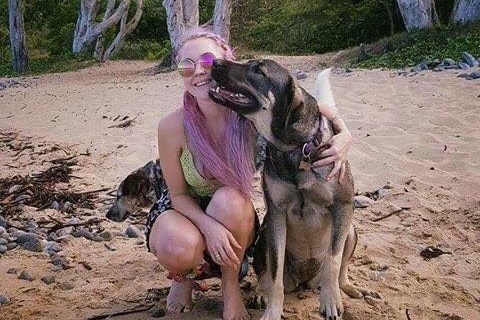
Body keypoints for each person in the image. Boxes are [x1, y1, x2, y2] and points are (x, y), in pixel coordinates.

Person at [145, 27, 352, 320]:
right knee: (177, 245)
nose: (198, 72)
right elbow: (177, 195)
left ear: (224, 63)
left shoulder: (251, 114)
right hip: (183, 209)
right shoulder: (171, 126)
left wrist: (344, 134)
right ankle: (184, 279)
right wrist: (209, 227)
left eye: (207, 61)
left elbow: (311, 107)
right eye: (186, 66)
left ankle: (231, 287)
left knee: (230, 199)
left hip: (231, 211)